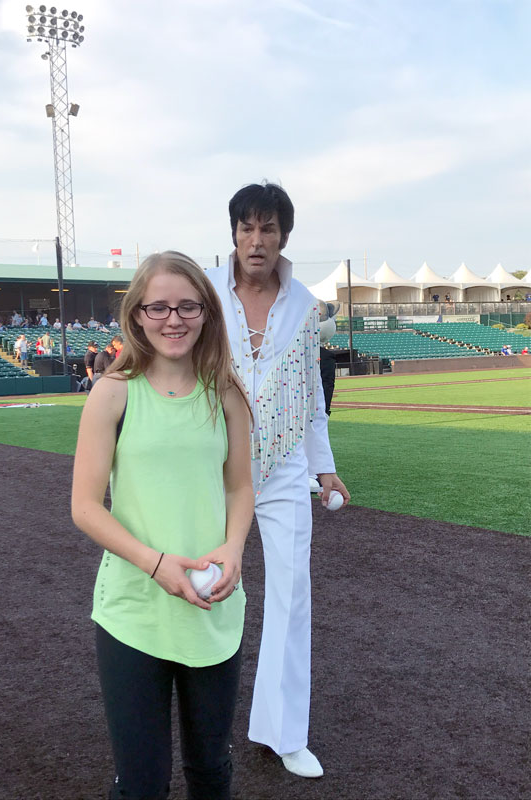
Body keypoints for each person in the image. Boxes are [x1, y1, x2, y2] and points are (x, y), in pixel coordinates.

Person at [71, 250, 253, 800]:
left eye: (188, 306)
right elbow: (84, 505)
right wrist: (155, 564)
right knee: (142, 785)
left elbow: (240, 485)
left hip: (213, 606)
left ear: (207, 312)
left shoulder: (226, 392)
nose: (174, 319)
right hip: (134, 611)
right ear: (137, 315)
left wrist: (235, 545)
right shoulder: (113, 392)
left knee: (210, 773)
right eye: (159, 308)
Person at [206, 182, 350, 779]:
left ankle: (283, 733)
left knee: (292, 596)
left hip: (287, 464)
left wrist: (326, 466)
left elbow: (313, 397)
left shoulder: (304, 306)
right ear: (234, 233)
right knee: (207, 582)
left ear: (283, 236)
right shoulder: (205, 291)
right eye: (246, 227)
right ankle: (200, 724)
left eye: (268, 229)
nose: (256, 240)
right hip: (213, 462)